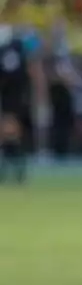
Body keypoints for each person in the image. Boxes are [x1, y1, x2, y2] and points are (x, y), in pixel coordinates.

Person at [0, 24, 42, 184]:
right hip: (12, 94)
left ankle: (16, 169)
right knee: (9, 131)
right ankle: (14, 168)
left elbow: (34, 59)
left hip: (15, 96)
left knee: (10, 128)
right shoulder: (17, 46)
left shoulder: (18, 45)